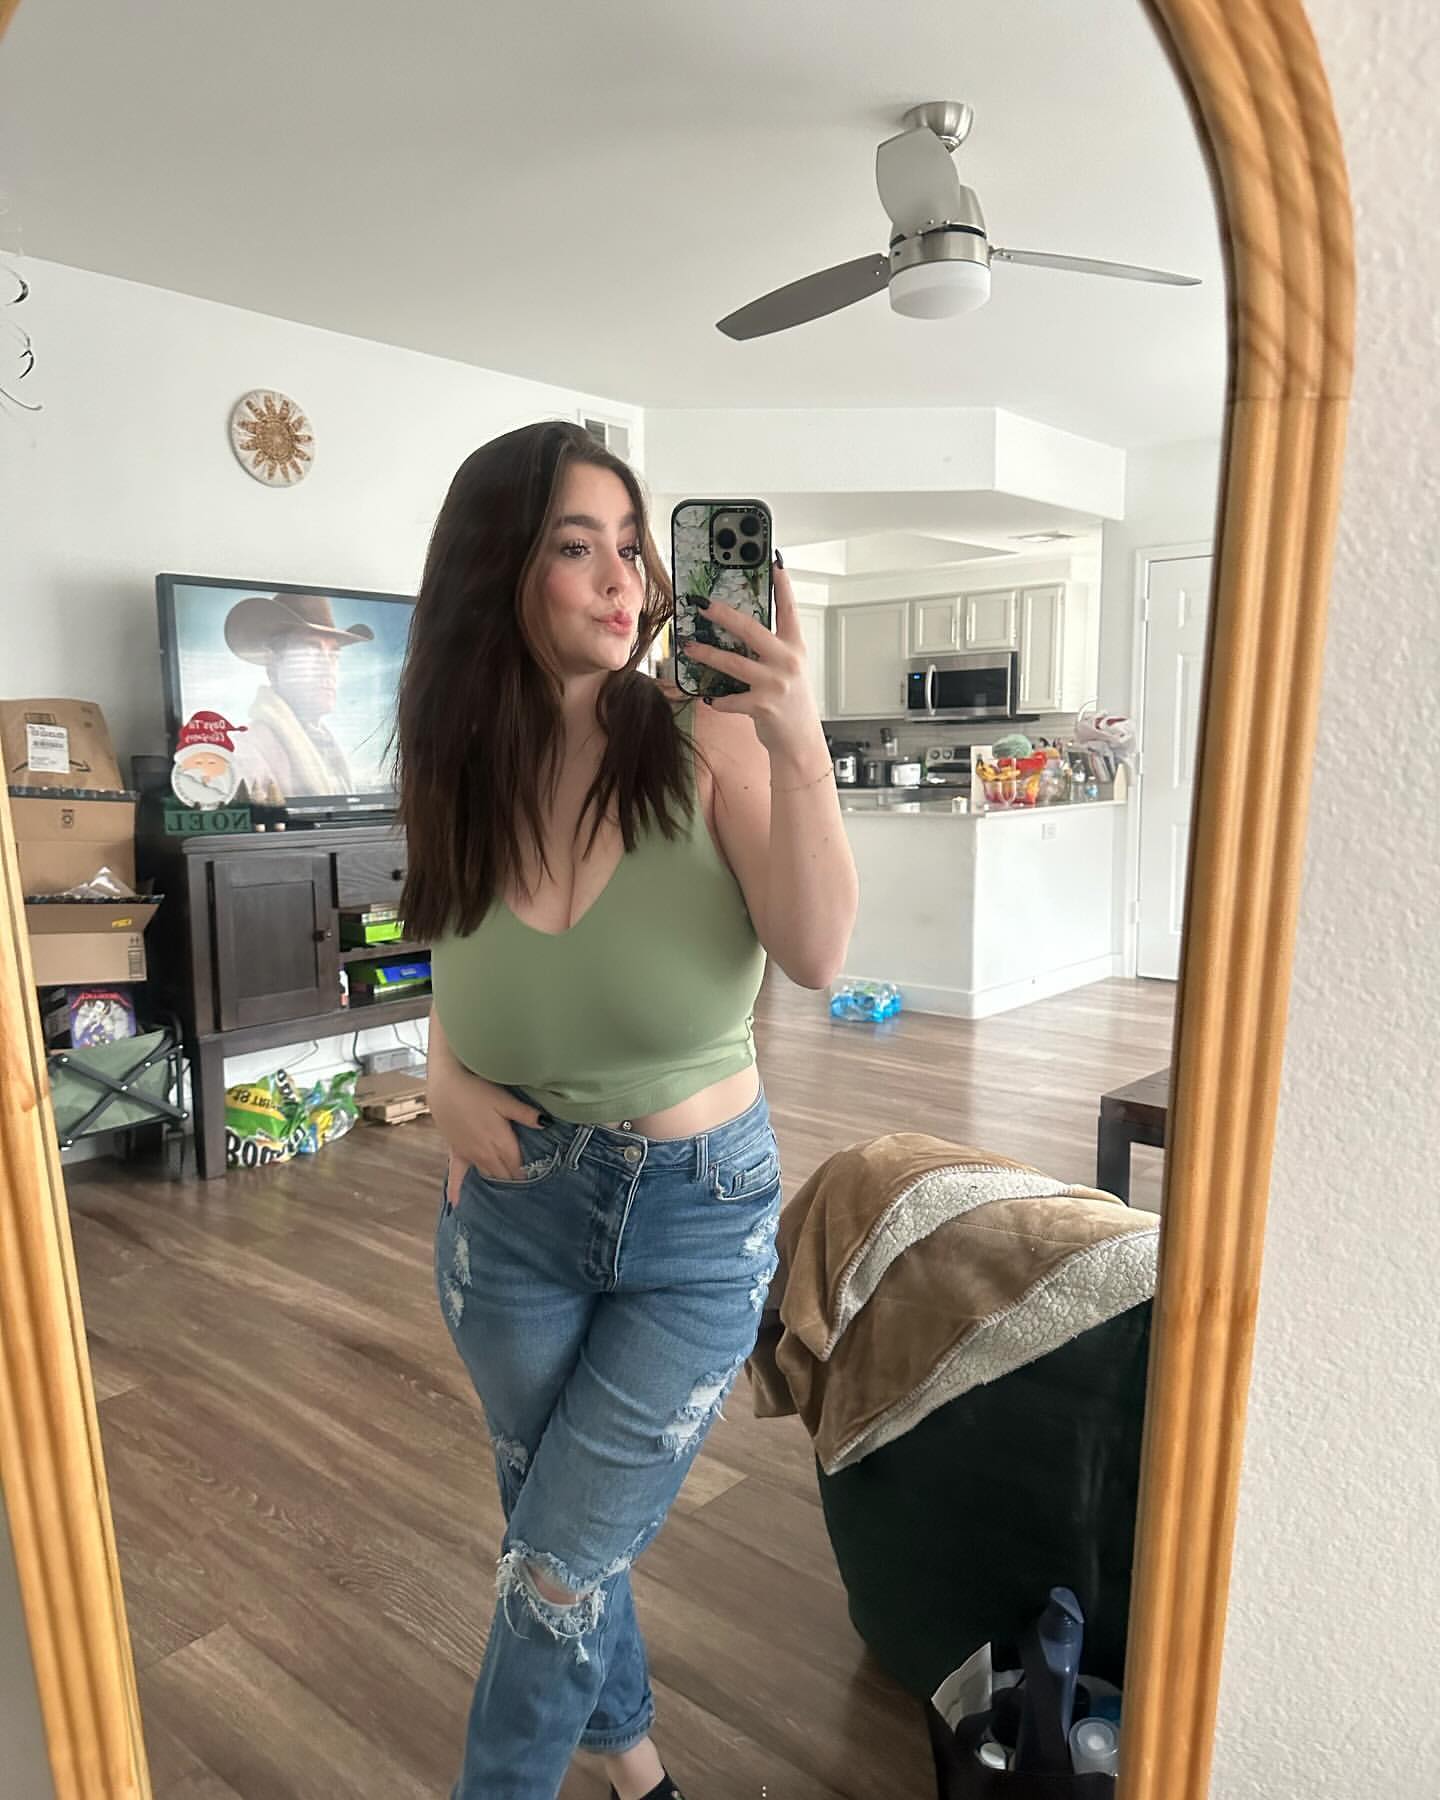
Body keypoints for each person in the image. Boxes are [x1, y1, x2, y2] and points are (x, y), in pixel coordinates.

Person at [395, 419, 858, 1800]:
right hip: (509, 1217)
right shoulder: (456, 759)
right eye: (574, 545)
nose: (622, 578)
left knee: (551, 1562)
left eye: (631, 546)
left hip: (694, 1225)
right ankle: (641, 1768)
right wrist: (443, 1075)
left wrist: (799, 740)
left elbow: (818, 951)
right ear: (500, 570)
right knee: (561, 1529)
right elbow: (451, 957)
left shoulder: (706, 737)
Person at [223, 591, 373, 797]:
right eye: (310, 652)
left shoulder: (326, 744)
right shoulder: (248, 751)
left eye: (334, 655)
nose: (327, 668)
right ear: (274, 665)